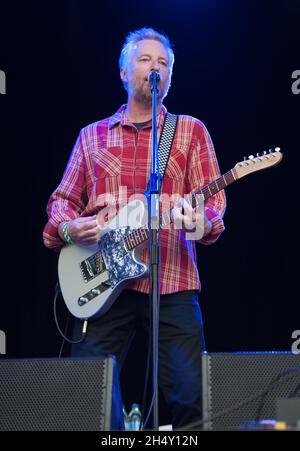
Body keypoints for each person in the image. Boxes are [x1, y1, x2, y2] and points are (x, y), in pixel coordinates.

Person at [43, 27, 226, 429]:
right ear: (124, 72)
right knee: (88, 394)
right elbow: (61, 203)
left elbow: (213, 204)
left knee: (192, 397)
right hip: (102, 279)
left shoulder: (190, 130)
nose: (155, 68)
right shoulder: (91, 137)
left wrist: (201, 221)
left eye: (164, 63)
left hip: (172, 279)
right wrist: (73, 229)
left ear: (171, 77)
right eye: (145, 60)